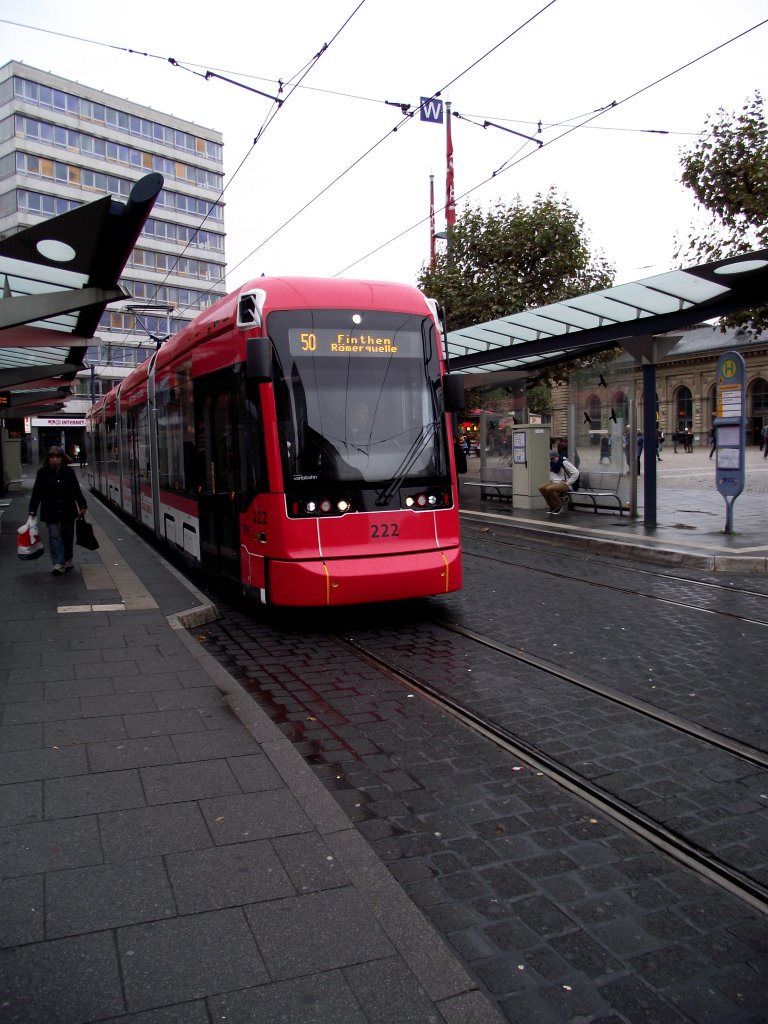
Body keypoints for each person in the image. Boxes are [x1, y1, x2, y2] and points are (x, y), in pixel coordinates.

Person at [28, 446, 88, 575]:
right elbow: (36, 493)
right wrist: (32, 510)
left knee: (68, 534)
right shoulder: (42, 473)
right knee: (54, 534)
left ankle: (67, 558)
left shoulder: (69, 472)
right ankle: (58, 563)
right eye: (52, 458)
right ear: (48, 459)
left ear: (62, 458)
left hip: (68, 509)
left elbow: (76, 490)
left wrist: (82, 505)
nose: (55, 460)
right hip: (50, 510)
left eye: (57, 457)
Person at [539, 448, 579, 515]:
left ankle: (558, 506)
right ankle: (551, 506)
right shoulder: (552, 464)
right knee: (541, 488)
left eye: (553, 458)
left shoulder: (564, 462)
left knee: (549, 488)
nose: (552, 460)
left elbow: (576, 473)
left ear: (557, 456)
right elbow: (553, 475)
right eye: (551, 459)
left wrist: (568, 482)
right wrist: (552, 481)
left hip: (566, 484)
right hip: (556, 483)